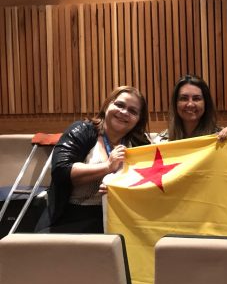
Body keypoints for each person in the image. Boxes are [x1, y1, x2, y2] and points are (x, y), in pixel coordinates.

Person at [36, 86, 151, 233]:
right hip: (73, 217)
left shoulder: (139, 142)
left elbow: (149, 180)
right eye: (120, 105)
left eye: (132, 111)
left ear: (138, 119)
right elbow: (61, 171)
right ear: (107, 105)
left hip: (121, 217)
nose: (124, 112)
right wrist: (107, 167)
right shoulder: (82, 130)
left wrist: (118, 188)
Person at [154, 74, 227, 142]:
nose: (190, 104)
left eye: (196, 98)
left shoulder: (221, 137)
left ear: (206, 103)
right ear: (175, 103)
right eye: (184, 98)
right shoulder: (160, 142)